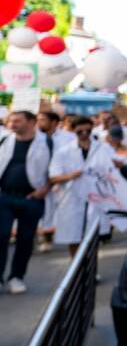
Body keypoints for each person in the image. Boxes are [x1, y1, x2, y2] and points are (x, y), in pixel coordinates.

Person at [0, 110, 52, 294]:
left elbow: (55, 168)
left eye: (17, 121)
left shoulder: (46, 142)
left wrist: (44, 189)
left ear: (31, 122)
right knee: (1, 235)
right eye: (11, 121)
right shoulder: (5, 140)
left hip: (31, 198)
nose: (12, 124)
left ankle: (16, 277)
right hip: (4, 196)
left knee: (25, 239)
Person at [48, 116, 94, 256]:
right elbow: (53, 176)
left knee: (92, 237)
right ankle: (76, 270)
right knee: (73, 236)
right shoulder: (63, 152)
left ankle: (91, 272)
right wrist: (70, 176)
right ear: (73, 131)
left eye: (88, 130)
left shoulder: (101, 148)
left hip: (94, 198)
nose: (85, 133)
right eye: (80, 131)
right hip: (71, 198)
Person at [35, 108, 62, 253]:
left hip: (57, 180)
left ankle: (47, 237)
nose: (39, 123)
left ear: (54, 122)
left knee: (50, 211)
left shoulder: (65, 138)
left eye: (43, 120)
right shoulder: (34, 137)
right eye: (38, 119)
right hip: (37, 179)